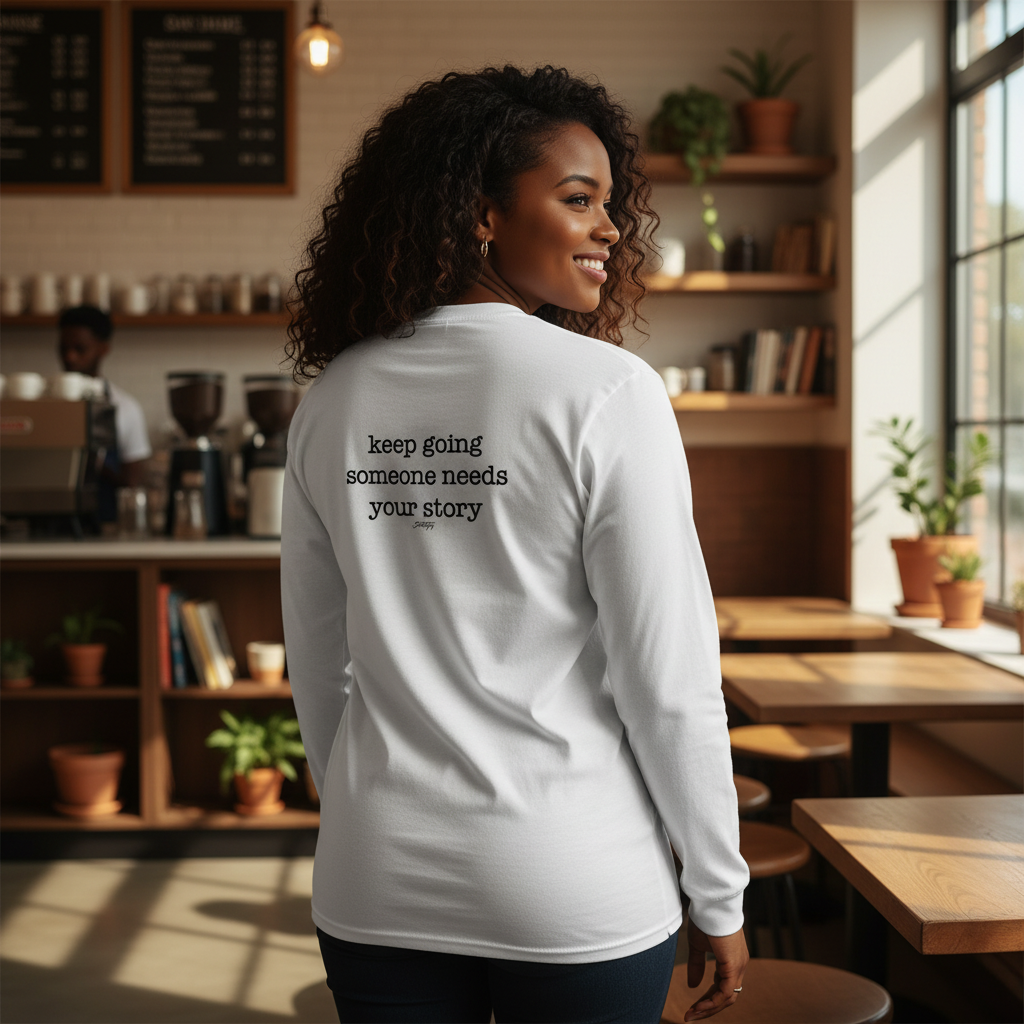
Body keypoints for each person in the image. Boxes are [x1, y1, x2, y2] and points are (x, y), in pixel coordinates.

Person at [281, 65, 749, 1024]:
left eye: (608, 204)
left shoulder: (332, 400)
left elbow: (317, 663)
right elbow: (667, 681)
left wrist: (370, 813)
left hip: (376, 879)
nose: (613, 229)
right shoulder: (607, 395)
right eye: (579, 199)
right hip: (571, 879)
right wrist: (718, 889)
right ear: (482, 213)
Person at [58, 305, 152, 502]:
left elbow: (132, 482)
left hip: (106, 526)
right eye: (64, 348)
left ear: (103, 349)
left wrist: (93, 462)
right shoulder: (46, 405)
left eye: (79, 349)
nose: (70, 357)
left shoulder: (125, 408)